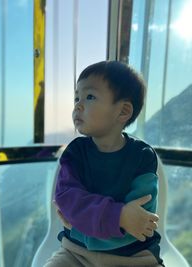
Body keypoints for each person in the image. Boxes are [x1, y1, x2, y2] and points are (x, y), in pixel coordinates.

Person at [44, 61, 165, 267]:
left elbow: (140, 223)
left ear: (123, 111)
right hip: (76, 253)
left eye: (89, 97)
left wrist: (82, 220)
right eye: (76, 98)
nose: (78, 106)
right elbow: (67, 198)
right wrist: (118, 216)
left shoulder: (143, 156)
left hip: (134, 257)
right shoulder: (74, 153)